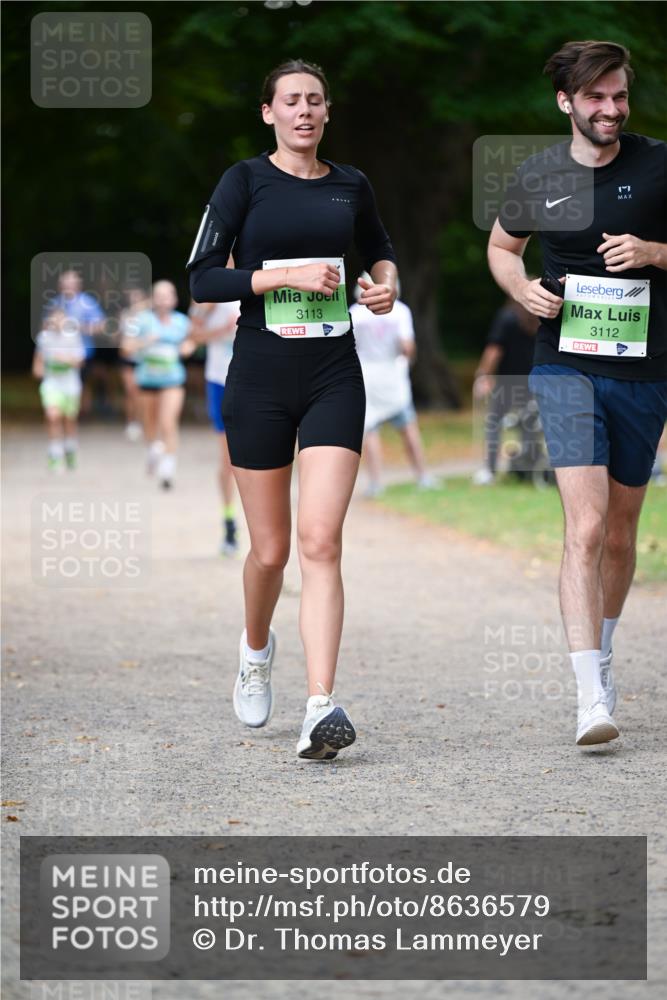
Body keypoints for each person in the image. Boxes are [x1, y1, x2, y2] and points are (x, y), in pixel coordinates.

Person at [187, 59, 397, 760]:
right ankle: (254, 649)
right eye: (290, 101)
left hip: (335, 372)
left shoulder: (350, 185)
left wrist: (383, 288)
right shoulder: (244, 181)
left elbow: (380, 253)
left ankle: (320, 705)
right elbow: (203, 276)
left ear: (327, 112)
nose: (304, 111)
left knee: (321, 542)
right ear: (268, 112)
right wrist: (280, 274)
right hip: (260, 377)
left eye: (315, 101)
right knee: (272, 550)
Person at [487, 41, 667, 746]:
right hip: (561, 363)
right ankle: (588, 692)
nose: (610, 109)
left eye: (618, 96)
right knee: (584, 528)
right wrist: (521, 288)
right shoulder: (537, 174)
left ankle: (604, 651)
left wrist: (654, 254)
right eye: (595, 97)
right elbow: (503, 247)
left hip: (645, 369)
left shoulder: (658, 163)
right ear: (566, 102)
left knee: (621, 534)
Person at [350, 280, 436, 497]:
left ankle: (376, 483)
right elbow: (407, 347)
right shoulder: (400, 311)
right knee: (408, 426)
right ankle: (423, 476)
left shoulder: (355, 313)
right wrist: (406, 364)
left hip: (366, 375)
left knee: (369, 430)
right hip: (392, 375)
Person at [121, 280, 196, 490]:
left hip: (173, 380)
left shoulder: (182, 322)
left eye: (168, 295)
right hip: (146, 380)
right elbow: (125, 347)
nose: (163, 299)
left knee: (168, 422)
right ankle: (153, 451)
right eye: (159, 295)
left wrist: (188, 348)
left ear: (174, 299)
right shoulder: (142, 321)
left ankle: (167, 470)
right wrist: (145, 342)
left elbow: (192, 342)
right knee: (150, 426)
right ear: (153, 299)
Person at [189, 290, 241, 555]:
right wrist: (221, 328)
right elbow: (192, 337)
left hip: (254, 380)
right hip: (220, 380)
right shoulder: (209, 290)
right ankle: (230, 521)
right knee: (228, 460)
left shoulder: (263, 278)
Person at [472, 298, 539, 485]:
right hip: (533, 381)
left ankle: (490, 470)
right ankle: (527, 468)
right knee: (529, 424)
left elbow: (494, 350)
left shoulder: (507, 317)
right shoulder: (541, 319)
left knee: (494, 424)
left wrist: (483, 374)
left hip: (507, 382)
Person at [32, 308, 86, 472]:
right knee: (52, 416)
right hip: (52, 384)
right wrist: (38, 370)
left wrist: (64, 359)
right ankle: (54, 453)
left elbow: (79, 362)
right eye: (54, 320)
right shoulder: (44, 338)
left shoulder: (73, 338)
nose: (57, 323)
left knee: (69, 420)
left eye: (60, 319)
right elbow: (38, 362)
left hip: (71, 385)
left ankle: (70, 449)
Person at [118, 287, 150, 442]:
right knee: (131, 391)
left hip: (144, 359)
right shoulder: (126, 315)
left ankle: (145, 422)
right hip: (129, 359)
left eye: (138, 298)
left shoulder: (150, 316)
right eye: (133, 298)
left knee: (144, 393)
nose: (135, 301)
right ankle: (131, 422)